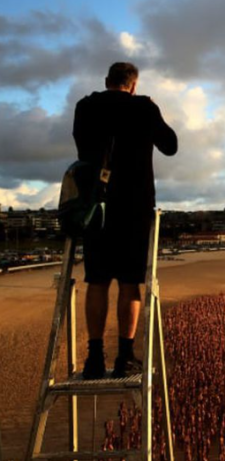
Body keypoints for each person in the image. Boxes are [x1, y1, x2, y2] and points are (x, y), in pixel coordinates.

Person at [73, 62, 177, 379]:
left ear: (107, 81)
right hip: (134, 205)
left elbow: (81, 147)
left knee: (98, 281)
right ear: (133, 85)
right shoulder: (143, 107)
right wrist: (148, 112)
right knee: (130, 283)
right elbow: (170, 146)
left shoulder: (85, 106)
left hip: (96, 206)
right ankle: (124, 357)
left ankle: (93, 359)